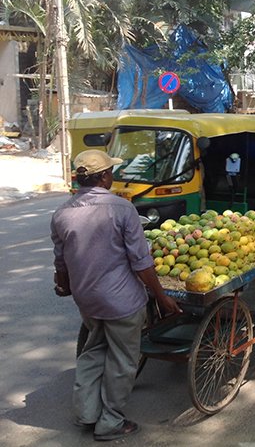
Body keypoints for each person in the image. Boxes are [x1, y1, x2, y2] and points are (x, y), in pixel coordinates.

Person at [52, 150, 181, 441]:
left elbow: (61, 264)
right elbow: (142, 263)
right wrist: (161, 297)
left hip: (87, 300)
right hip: (122, 302)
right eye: (111, 172)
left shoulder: (62, 213)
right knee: (123, 359)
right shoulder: (122, 210)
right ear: (105, 177)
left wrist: (63, 286)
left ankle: (86, 413)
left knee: (94, 352)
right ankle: (110, 421)